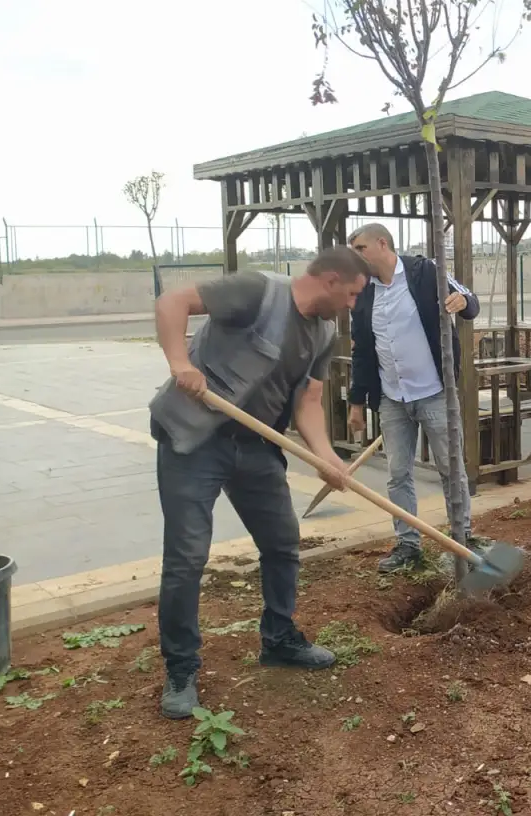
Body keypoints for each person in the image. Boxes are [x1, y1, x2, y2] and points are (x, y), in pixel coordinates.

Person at [148, 247, 366, 719]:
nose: (351, 307)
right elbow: (173, 302)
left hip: (255, 448)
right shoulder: (257, 292)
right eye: (351, 295)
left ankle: (279, 638)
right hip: (194, 440)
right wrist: (179, 362)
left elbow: (308, 402)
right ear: (330, 280)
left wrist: (326, 457)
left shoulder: (323, 333)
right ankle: (181, 668)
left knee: (282, 541)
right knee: (187, 558)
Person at [346, 224, 481, 574]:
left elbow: (470, 303)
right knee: (397, 474)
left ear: (382, 243)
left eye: (360, 248)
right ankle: (408, 544)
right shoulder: (363, 294)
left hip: (434, 392)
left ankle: (461, 537)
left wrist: (463, 301)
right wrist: (357, 402)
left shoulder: (426, 273)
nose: (355, 256)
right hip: (391, 398)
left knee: (451, 469)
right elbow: (362, 350)